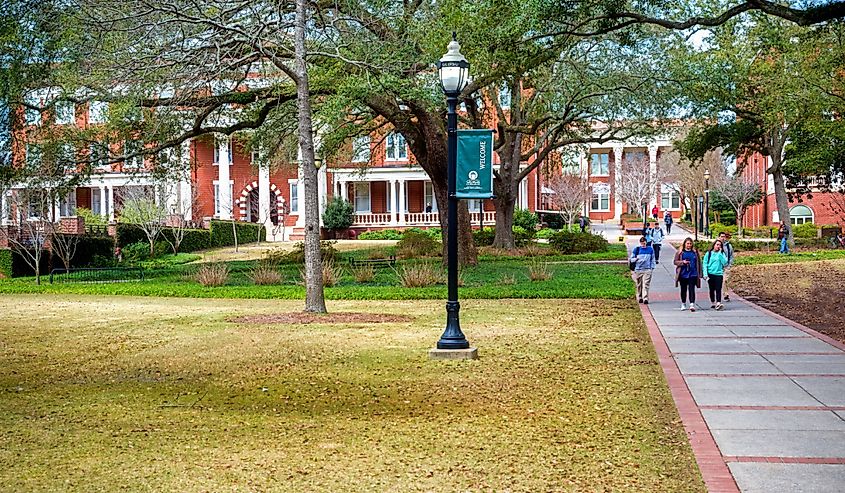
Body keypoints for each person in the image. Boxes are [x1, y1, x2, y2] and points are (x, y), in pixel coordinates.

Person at [674, 237, 702, 312]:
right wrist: (683, 262)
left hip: (693, 273)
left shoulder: (695, 253)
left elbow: (699, 263)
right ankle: (683, 303)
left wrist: (700, 273)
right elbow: (675, 262)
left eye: (690, 243)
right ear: (684, 244)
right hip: (683, 274)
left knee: (692, 289)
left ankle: (692, 304)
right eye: (687, 243)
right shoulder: (680, 252)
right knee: (683, 289)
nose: (689, 245)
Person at [703, 239, 730, 310]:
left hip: (719, 274)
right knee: (711, 289)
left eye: (720, 245)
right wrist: (705, 274)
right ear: (714, 245)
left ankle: (718, 302)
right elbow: (705, 264)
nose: (718, 246)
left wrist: (720, 254)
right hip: (710, 274)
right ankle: (713, 302)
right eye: (717, 245)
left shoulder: (722, 254)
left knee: (718, 289)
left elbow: (725, 263)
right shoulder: (708, 254)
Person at [630, 236, 656, 304]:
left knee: (646, 284)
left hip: (647, 269)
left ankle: (645, 298)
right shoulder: (637, 249)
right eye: (642, 243)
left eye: (644, 243)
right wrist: (636, 259)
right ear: (640, 243)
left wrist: (652, 267)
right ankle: (640, 296)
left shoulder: (650, 249)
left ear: (646, 242)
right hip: (638, 269)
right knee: (639, 284)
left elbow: (653, 259)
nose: (643, 244)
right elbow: (631, 259)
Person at [719, 232, 735, 301]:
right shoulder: (716, 245)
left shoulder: (728, 246)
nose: (723, 238)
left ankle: (725, 294)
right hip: (718, 267)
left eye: (724, 236)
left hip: (726, 266)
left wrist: (730, 264)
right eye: (721, 236)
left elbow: (731, 255)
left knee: (724, 280)